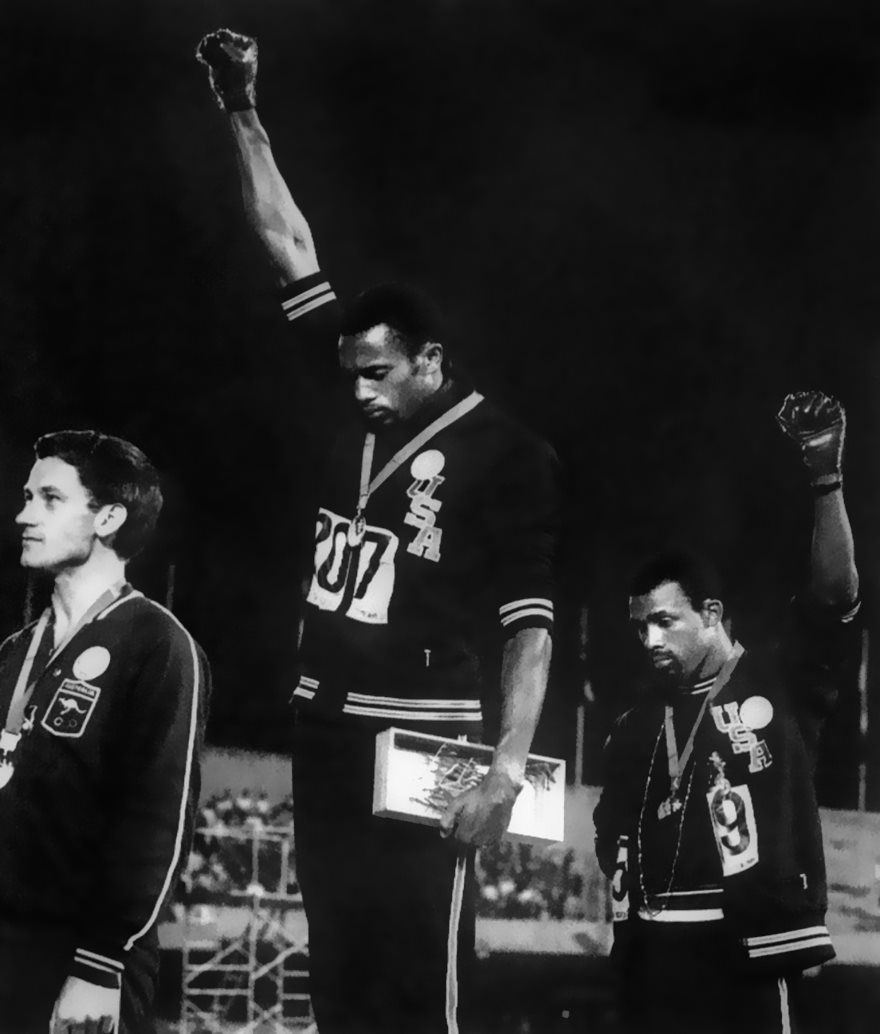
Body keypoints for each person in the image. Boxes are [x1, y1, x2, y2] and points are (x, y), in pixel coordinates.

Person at [196, 29, 558, 1034]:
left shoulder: (510, 455)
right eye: (348, 369)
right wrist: (239, 105)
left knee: (422, 975)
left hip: (425, 735)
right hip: (323, 727)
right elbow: (286, 243)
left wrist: (508, 764)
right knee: (338, 965)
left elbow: (529, 625)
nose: (353, 388)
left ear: (430, 359)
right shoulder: (342, 384)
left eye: (377, 373)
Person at [594, 391, 859, 1034]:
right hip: (653, 956)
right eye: (639, 629)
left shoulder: (778, 679)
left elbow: (833, 596)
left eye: (664, 621)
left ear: (710, 614)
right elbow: (610, 840)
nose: (650, 641)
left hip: (747, 955)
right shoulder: (633, 727)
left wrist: (825, 477)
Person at [0, 430, 209, 1034]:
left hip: (84, 958)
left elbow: (157, 824)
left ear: (109, 517)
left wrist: (99, 963)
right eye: (26, 496)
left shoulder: (159, 645)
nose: (24, 515)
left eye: (48, 499)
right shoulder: (15, 652)